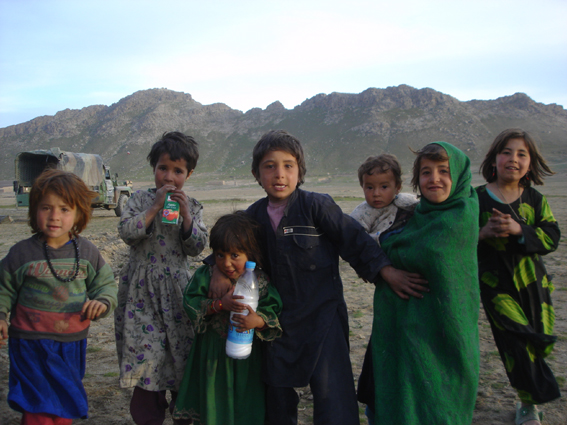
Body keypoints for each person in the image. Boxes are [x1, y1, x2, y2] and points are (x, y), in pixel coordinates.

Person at [209, 130, 428, 425]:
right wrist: (216, 272)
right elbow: (228, 247)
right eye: (269, 166)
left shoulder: (317, 206)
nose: (279, 174)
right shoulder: (254, 217)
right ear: (256, 174)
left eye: (288, 165)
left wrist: (386, 272)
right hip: (275, 322)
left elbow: (355, 240)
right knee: (276, 395)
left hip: (322, 317)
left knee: (333, 397)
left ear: (300, 173)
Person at [370, 142, 480, 424]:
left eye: (444, 171)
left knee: (439, 402)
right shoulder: (414, 215)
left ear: (459, 175)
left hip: (443, 331)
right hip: (402, 329)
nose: (434, 178)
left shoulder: (461, 214)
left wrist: (389, 253)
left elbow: (423, 252)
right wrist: (386, 268)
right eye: (426, 172)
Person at [0, 169, 117, 425]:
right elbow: (3, 288)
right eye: (46, 208)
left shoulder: (87, 252)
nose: (54, 216)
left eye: (64, 209)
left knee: (64, 403)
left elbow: (105, 285)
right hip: (29, 342)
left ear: (78, 214)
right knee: (37, 405)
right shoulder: (21, 254)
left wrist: (102, 302)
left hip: (70, 343)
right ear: (34, 211)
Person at [114, 131, 208, 425]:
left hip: (178, 295)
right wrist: (154, 207)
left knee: (182, 356)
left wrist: (186, 217)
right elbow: (128, 233)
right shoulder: (139, 199)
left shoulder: (191, 205)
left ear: (188, 174)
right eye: (163, 168)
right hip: (141, 295)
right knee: (146, 358)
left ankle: (183, 413)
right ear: (153, 168)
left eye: (177, 171)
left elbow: (197, 248)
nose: (169, 176)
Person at [477, 128, 560, 425]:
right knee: (517, 340)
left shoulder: (535, 199)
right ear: (495, 159)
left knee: (540, 340)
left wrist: (519, 230)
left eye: (521, 154)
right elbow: (458, 240)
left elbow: (552, 237)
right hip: (495, 285)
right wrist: (483, 233)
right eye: (507, 152)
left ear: (530, 163)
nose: (513, 158)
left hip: (534, 283)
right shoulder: (477, 199)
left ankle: (530, 395)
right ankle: (530, 404)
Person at [172, 211, 282, 425]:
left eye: (235, 255)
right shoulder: (205, 276)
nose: (227, 263)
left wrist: (258, 322)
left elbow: (273, 308)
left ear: (249, 254)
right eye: (220, 255)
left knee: (246, 404)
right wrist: (219, 304)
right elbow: (190, 302)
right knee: (215, 404)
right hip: (213, 355)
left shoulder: (260, 281)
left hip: (248, 359)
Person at [350, 154, 418, 424]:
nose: (376, 194)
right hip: (386, 288)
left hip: (413, 285)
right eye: (369, 187)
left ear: (398, 187)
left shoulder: (412, 206)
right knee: (384, 353)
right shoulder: (360, 216)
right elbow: (354, 247)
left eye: (384, 186)